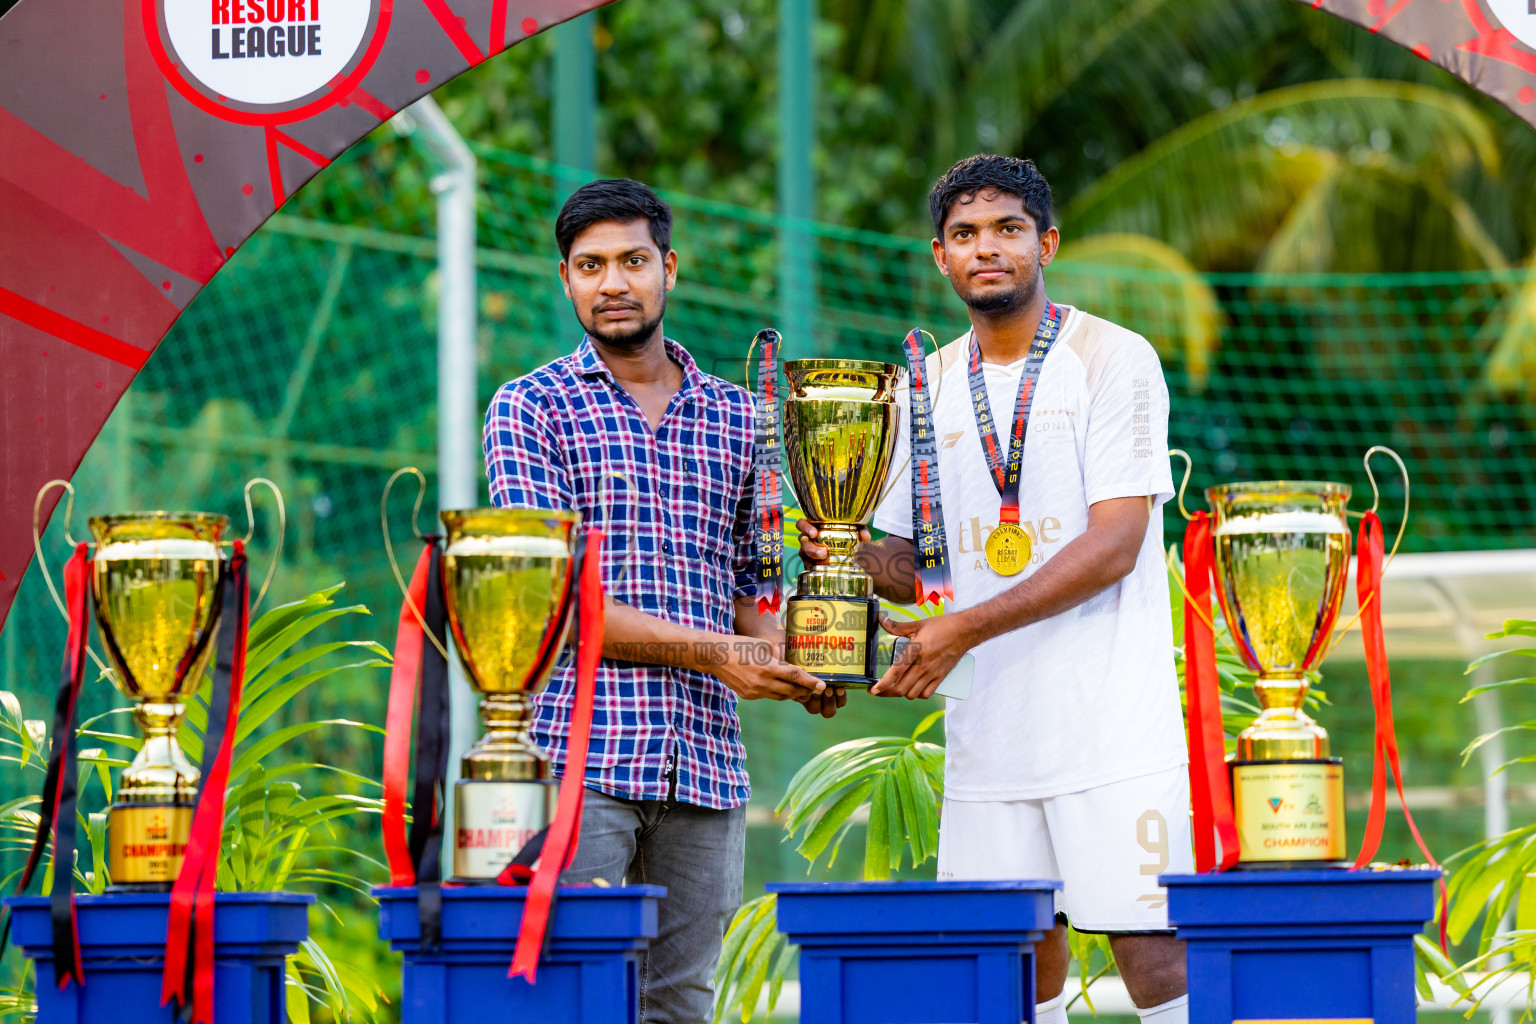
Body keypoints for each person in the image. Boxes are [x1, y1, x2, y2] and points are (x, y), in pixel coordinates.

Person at [798, 154, 1191, 1024]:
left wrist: (962, 627)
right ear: (939, 256)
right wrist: (830, 549)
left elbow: (1116, 543)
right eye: (965, 234)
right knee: (1014, 968)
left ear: (1045, 242)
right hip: (990, 734)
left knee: (1156, 961)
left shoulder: (1113, 358)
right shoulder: (921, 385)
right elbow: (914, 562)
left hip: (1112, 723)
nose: (988, 249)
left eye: (1008, 230)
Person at [484, 178, 829, 1023]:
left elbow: (754, 593)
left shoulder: (742, 419)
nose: (613, 283)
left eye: (633, 261)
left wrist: (815, 648)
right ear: (563, 279)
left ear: (668, 269)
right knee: (575, 1000)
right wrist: (726, 656)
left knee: (680, 1008)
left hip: (706, 766)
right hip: (576, 758)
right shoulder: (530, 409)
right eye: (591, 265)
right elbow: (553, 605)